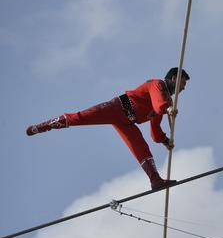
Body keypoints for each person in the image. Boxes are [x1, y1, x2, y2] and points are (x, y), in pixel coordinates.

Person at [26, 67, 189, 190]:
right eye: (183, 82)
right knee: (81, 117)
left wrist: (164, 140)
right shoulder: (157, 84)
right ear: (174, 78)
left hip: (128, 122)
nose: (183, 88)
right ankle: (45, 126)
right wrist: (167, 109)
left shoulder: (168, 101)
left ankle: (155, 180)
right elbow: (159, 106)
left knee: (141, 148)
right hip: (118, 107)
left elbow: (155, 130)